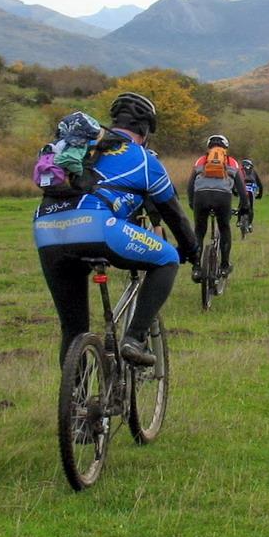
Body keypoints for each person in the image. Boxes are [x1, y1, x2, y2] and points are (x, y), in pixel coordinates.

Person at [33, 93, 198, 367]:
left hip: (46, 229)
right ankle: (134, 339)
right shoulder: (144, 158)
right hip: (96, 227)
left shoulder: (80, 145)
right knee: (167, 258)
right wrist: (191, 250)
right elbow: (174, 215)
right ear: (145, 130)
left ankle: (77, 394)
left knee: (73, 329)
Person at [187, 134, 249, 279]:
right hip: (223, 198)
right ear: (225, 148)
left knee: (199, 231)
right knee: (224, 228)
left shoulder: (201, 160)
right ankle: (224, 266)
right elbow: (241, 188)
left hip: (201, 196)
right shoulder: (231, 162)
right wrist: (244, 206)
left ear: (208, 147)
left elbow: (190, 184)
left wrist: (191, 202)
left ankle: (196, 268)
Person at [240, 159, 264, 227]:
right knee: (251, 207)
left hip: (243, 190)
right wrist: (260, 194)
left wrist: (235, 192)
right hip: (251, 191)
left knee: (240, 205)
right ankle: (250, 224)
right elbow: (260, 184)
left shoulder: (240, 172)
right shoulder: (253, 172)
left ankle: (239, 221)